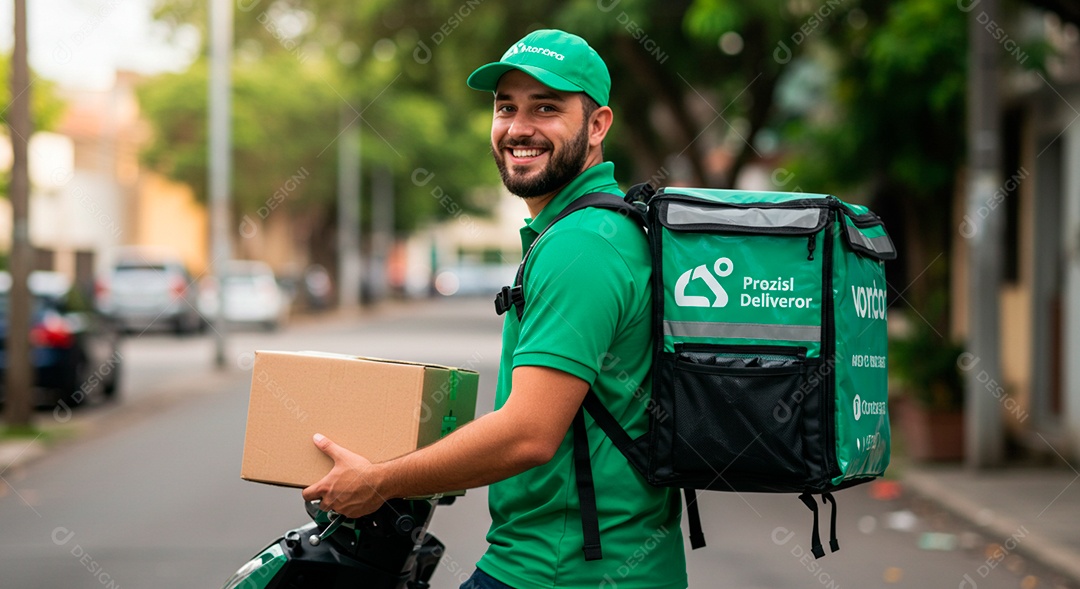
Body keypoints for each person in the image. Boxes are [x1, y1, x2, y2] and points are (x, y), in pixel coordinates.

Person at [302, 29, 687, 589]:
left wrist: (381, 481)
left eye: (547, 108)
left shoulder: (583, 245)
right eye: (506, 107)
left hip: (558, 573)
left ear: (598, 125)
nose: (518, 128)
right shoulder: (599, 228)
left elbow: (528, 433)